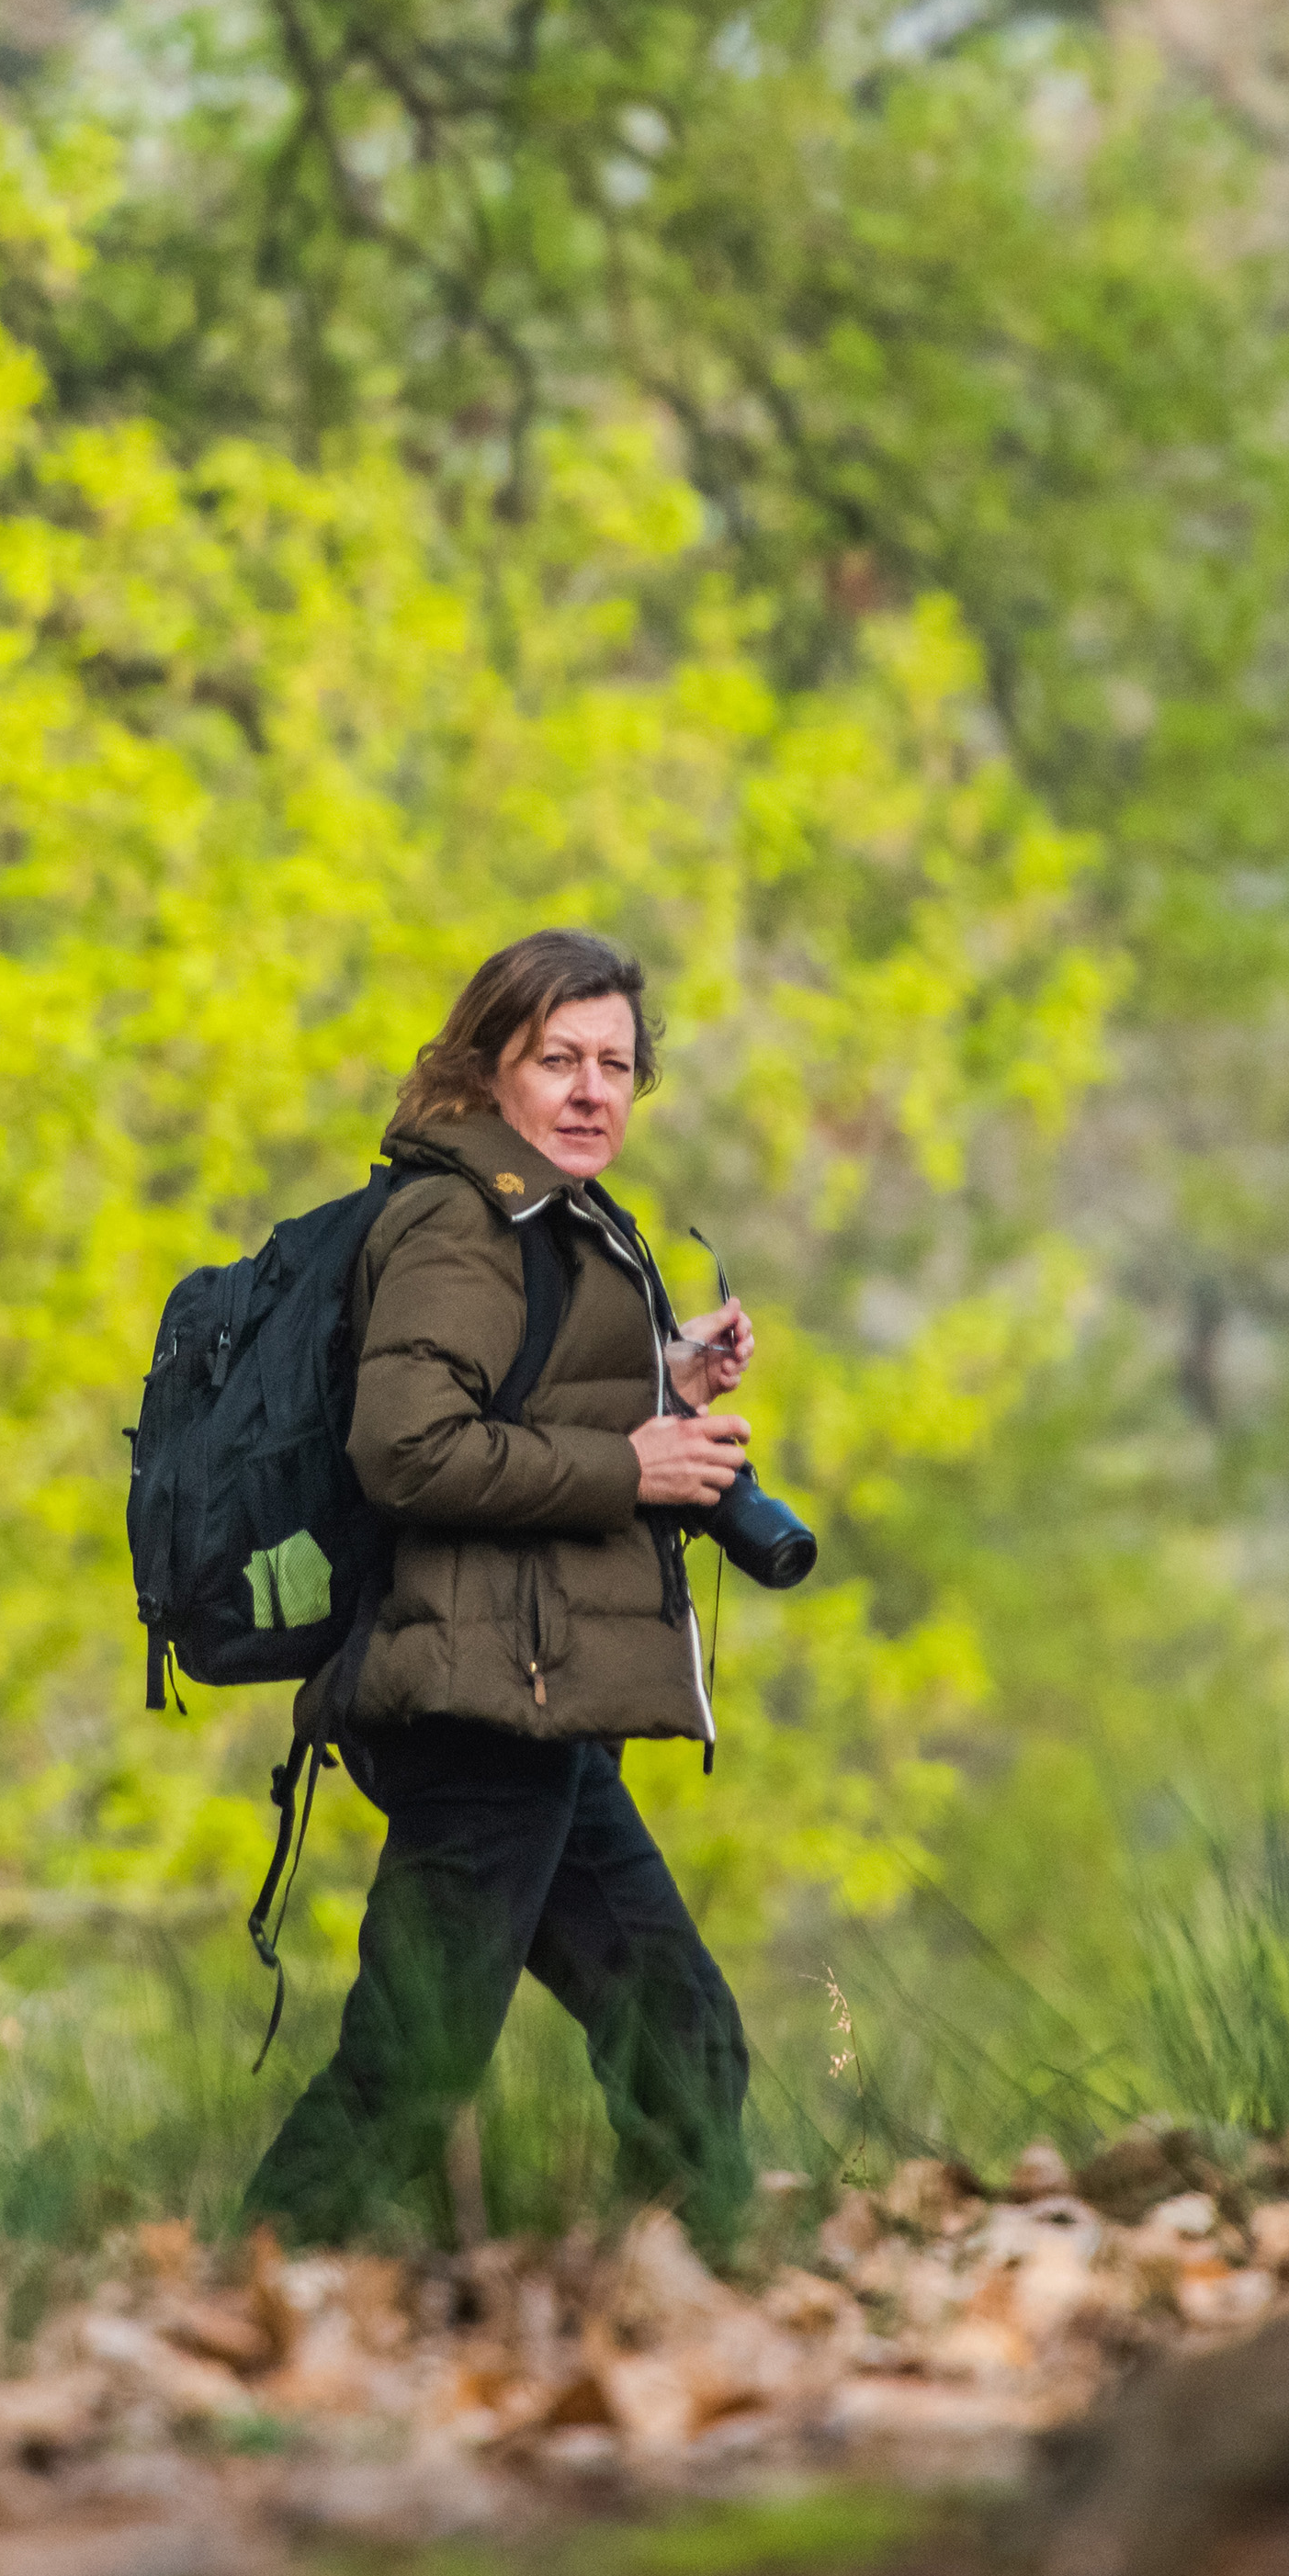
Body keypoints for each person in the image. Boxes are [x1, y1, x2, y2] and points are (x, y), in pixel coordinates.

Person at [239, 927, 763, 2254]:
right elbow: (407, 1448)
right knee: (412, 2070)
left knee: (683, 2037)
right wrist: (632, 1465)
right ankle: (236, 2305)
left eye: (617, 1066)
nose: (593, 1091)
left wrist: (662, 1376)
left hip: (533, 1700)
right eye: (559, 1061)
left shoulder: (539, 1213)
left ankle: (691, 2302)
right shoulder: (459, 1217)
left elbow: (514, 1398)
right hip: (472, 1705)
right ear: (487, 1070)